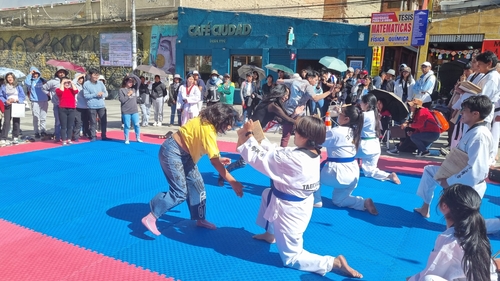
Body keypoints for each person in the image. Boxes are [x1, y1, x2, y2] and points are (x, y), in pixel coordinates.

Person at [236, 116, 362, 278]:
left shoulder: (293, 159)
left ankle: (333, 263)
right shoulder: (311, 152)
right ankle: (270, 234)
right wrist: (258, 136)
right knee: (268, 193)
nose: (295, 133)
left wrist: (248, 135)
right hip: (298, 203)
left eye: (298, 132)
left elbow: (261, 158)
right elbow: (277, 151)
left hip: (289, 211)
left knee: (291, 258)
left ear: (307, 137)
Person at [141, 103, 244, 234]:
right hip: (172, 152)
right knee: (179, 193)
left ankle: (200, 219)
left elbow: (206, 147)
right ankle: (152, 216)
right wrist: (233, 182)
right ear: (220, 119)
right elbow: (214, 162)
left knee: (197, 185)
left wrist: (219, 158)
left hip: (186, 155)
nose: (229, 127)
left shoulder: (205, 121)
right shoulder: (208, 130)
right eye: (228, 123)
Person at [414, 95, 494, 218]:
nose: (461, 113)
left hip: (469, 185)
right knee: (430, 171)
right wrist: (447, 168)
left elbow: (476, 170)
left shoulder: (480, 136)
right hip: (459, 173)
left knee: (462, 225)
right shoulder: (473, 129)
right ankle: (425, 208)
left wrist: (450, 181)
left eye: (465, 110)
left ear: (475, 114)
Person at [407, 184, 498, 281]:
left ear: (444, 206)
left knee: (428, 279)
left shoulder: (449, 239)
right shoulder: (476, 232)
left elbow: (433, 271)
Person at [217, 84, 299, 186]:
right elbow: (288, 120)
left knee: (270, 159)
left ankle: (274, 186)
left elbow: (283, 121)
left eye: (288, 95)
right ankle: (222, 174)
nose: (287, 97)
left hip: (256, 133)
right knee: (243, 163)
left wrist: (294, 116)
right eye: (285, 94)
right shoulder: (272, 105)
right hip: (250, 133)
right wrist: (299, 117)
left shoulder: (273, 105)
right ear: (279, 93)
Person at [316, 105, 378, 214]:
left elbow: (318, 141)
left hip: (337, 174)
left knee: (312, 173)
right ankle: (363, 202)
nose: (338, 115)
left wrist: (316, 122)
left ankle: (316, 200)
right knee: (339, 201)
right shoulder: (356, 132)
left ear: (346, 119)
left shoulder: (337, 131)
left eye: (340, 114)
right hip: (353, 174)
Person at [278, 70, 333, 147]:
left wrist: (288, 91)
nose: (316, 82)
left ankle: (282, 152)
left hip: (287, 110)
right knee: (302, 133)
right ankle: (302, 150)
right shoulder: (308, 86)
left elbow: (279, 81)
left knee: (286, 135)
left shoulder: (295, 81)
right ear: (310, 78)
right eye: (316, 80)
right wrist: (329, 92)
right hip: (299, 112)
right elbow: (315, 98)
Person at [357, 94, 401, 184]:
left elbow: (350, 121)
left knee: (343, 154)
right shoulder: (376, 114)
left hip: (365, 146)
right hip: (375, 146)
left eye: (362, 102)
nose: (360, 104)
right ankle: (388, 175)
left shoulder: (364, 115)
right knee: (370, 171)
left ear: (367, 104)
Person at [43, 66, 69, 142]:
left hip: (67, 104)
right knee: (58, 122)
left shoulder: (68, 81)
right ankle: (57, 137)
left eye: (63, 72)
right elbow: (43, 88)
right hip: (57, 104)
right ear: (57, 73)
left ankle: (65, 136)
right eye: (60, 72)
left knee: (66, 122)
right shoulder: (52, 81)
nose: (61, 74)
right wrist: (50, 94)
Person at [0, 73, 26, 146]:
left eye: (11, 77)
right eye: (8, 77)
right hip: (8, 105)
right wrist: (6, 101)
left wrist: (17, 100)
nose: (10, 78)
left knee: (16, 121)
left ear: (14, 78)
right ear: (6, 79)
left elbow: (22, 96)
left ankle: (15, 136)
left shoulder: (18, 86)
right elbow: (1, 96)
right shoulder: (3, 86)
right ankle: (3, 138)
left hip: (16, 104)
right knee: (7, 121)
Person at [83, 68, 109, 141]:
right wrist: (95, 94)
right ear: (90, 75)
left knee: (103, 121)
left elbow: (106, 93)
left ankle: (104, 135)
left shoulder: (101, 83)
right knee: (93, 122)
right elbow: (86, 96)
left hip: (101, 105)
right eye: (94, 75)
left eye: (97, 75)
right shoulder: (86, 84)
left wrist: (102, 94)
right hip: (91, 106)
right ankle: (93, 136)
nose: (96, 77)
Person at [25, 66, 48, 139]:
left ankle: (43, 130)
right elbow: (26, 82)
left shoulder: (42, 80)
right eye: (33, 73)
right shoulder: (30, 81)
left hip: (44, 100)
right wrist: (29, 74)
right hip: (35, 101)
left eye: (36, 73)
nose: (35, 75)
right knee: (36, 117)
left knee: (43, 117)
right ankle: (36, 132)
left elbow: (48, 86)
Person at [119, 75, 142, 144]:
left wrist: (132, 75)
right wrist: (128, 95)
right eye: (129, 81)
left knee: (137, 124)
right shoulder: (121, 90)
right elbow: (122, 100)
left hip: (134, 110)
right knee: (127, 125)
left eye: (132, 82)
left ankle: (138, 138)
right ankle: (126, 139)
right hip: (126, 111)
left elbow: (139, 81)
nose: (131, 83)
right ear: (125, 81)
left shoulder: (134, 88)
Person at [55, 77, 78, 145]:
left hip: (72, 109)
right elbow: (61, 92)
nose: (67, 84)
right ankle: (64, 140)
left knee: (70, 126)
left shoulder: (72, 90)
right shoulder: (58, 89)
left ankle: (69, 139)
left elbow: (76, 91)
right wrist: (62, 82)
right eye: (65, 83)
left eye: (68, 83)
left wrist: (71, 82)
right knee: (63, 126)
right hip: (63, 109)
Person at [73, 73, 88, 142]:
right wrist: (79, 76)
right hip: (78, 106)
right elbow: (73, 82)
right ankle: (76, 136)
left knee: (86, 122)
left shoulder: (86, 85)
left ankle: (86, 134)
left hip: (86, 106)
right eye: (79, 78)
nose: (81, 80)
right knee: (78, 122)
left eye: (82, 78)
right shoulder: (74, 85)